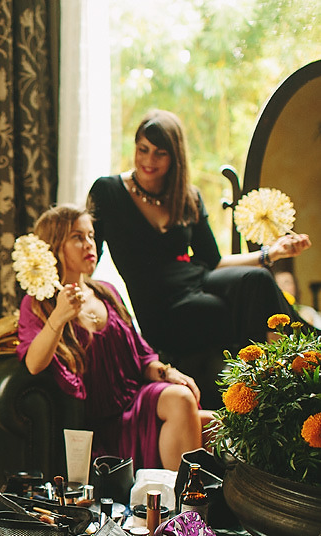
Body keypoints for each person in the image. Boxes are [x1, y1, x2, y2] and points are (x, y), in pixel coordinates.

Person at [87, 109, 312, 358]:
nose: (149, 160)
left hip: (198, 281)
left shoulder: (187, 197)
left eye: (160, 153)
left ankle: (297, 360)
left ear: (175, 157)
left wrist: (272, 253)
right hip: (159, 306)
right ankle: (269, 373)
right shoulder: (107, 191)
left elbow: (214, 262)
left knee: (257, 279)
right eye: (143, 149)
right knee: (215, 309)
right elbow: (88, 255)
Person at [17, 206, 215, 471]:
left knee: (220, 424)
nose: (89, 244)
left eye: (91, 235)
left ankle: (205, 507)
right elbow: (34, 363)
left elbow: (142, 357)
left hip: (138, 399)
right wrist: (60, 316)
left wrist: (168, 373)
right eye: (77, 237)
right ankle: (183, 505)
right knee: (181, 401)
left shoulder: (106, 291)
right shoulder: (38, 304)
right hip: (106, 423)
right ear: (54, 246)